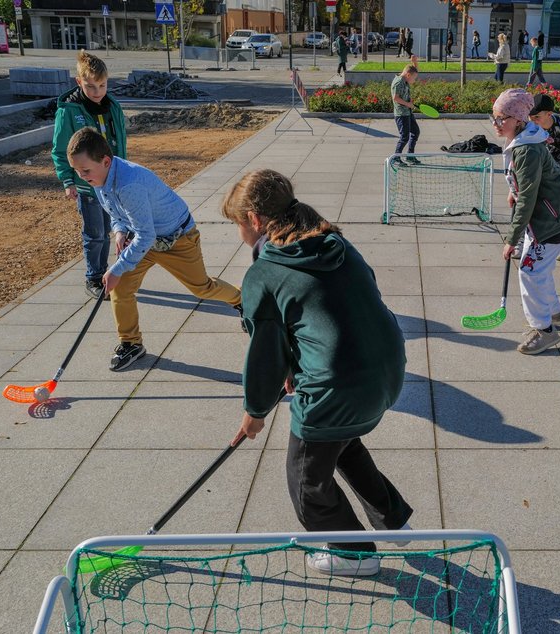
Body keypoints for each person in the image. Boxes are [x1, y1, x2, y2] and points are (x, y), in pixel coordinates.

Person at [223, 169, 412, 577]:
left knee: (306, 478)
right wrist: (299, 363)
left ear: (254, 220)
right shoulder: (336, 242)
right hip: (387, 371)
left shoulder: (264, 274)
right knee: (341, 443)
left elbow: (265, 354)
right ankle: (394, 519)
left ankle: (353, 555)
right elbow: (331, 308)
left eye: (237, 224)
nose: (238, 232)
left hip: (340, 385)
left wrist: (255, 411)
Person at [65, 128, 243, 371]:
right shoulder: (99, 176)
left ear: (106, 161)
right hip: (145, 237)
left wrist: (117, 268)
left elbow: (145, 234)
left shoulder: (129, 183)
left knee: (202, 287)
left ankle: (242, 299)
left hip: (177, 239)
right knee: (121, 289)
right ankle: (131, 343)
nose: (82, 176)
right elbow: (117, 214)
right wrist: (119, 231)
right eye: (76, 171)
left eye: (85, 170)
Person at [491, 89, 560, 354]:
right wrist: (514, 188)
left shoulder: (527, 149)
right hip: (548, 216)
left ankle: (544, 330)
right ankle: (554, 313)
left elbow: (528, 199)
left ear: (519, 120)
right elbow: (527, 182)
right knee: (538, 269)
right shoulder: (522, 140)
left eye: (502, 118)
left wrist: (511, 239)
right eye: (494, 117)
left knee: (530, 271)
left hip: (553, 220)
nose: (496, 124)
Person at [51, 50, 127, 300]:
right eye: (91, 86)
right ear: (78, 82)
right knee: (95, 234)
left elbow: (120, 143)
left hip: (113, 181)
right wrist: (67, 180)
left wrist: (124, 171)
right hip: (88, 185)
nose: (97, 92)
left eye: (102, 85)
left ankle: (113, 272)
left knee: (115, 228)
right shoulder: (69, 110)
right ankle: (94, 277)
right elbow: (61, 148)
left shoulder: (112, 106)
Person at [529, 93, 560, 261]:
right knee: (533, 204)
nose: (533, 120)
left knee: (558, 206)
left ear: (549, 114)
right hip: (543, 165)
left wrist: (559, 185)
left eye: (537, 117)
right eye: (531, 117)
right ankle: (525, 242)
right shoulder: (532, 126)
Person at [391, 65, 420, 162]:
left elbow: (411, 69)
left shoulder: (405, 80)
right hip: (401, 114)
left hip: (408, 112)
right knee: (404, 137)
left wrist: (414, 62)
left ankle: (410, 156)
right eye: (414, 78)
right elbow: (396, 98)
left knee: (415, 132)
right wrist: (408, 104)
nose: (414, 80)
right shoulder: (399, 82)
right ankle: (396, 157)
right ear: (408, 75)